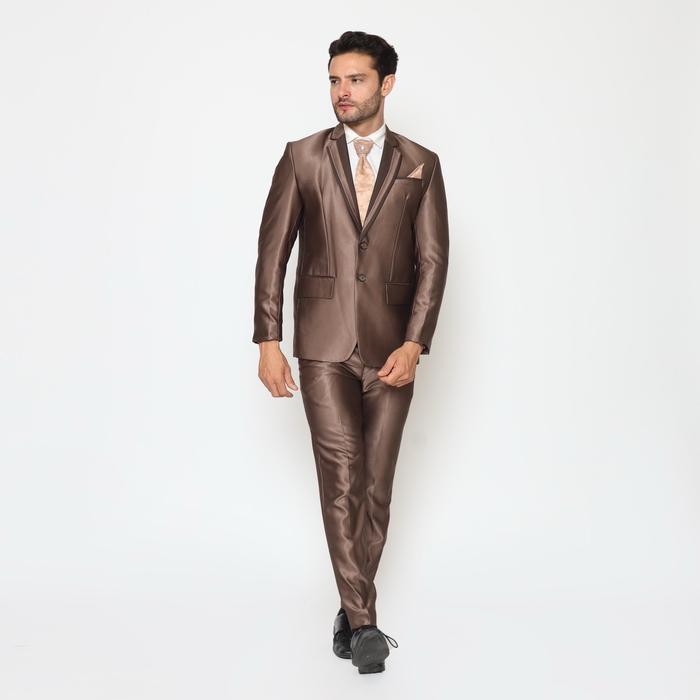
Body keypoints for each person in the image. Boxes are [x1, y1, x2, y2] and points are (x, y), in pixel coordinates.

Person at [252, 30, 449, 674]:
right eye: (335, 80)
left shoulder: (421, 163)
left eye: (356, 80)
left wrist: (415, 342)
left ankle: (348, 608)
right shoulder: (302, 157)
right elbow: (273, 253)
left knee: (377, 488)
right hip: (323, 347)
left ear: (385, 84)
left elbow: (432, 261)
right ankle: (365, 626)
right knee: (341, 480)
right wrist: (268, 340)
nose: (342, 91)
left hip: (393, 350)